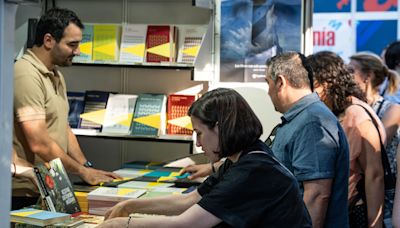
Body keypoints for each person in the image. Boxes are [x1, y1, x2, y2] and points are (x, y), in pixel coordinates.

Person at [97, 88, 312, 228]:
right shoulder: (241, 159)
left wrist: (121, 224)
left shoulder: (252, 170)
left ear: (219, 128)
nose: (198, 143)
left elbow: (187, 224)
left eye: (199, 133)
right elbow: (190, 200)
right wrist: (131, 206)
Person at [12, 8, 119, 209]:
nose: (77, 51)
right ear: (49, 40)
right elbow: (39, 143)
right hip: (25, 193)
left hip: (50, 187)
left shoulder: (55, 75)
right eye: (72, 45)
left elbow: (64, 128)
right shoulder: (25, 74)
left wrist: (87, 168)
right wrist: (81, 171)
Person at [265, 52, 350, 228]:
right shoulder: (302, 119)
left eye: (268, 83)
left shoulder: (312, 122)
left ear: (280, 82)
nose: (268, 91)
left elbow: (317, 195)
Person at [308, 51, 385, 228]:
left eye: (314, 86)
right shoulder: (338, 112)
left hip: (356, 213)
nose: (310, 93)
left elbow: (375, 175)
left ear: (328, 83)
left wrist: (375, 224)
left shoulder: (356, 115)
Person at [349, 52, 400, 227]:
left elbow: (376, 146)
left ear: (367, 76)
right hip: (358, 194)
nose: (346, 77)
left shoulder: (391, 110)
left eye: (351, 71)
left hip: (384, 194)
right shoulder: (350, 109)